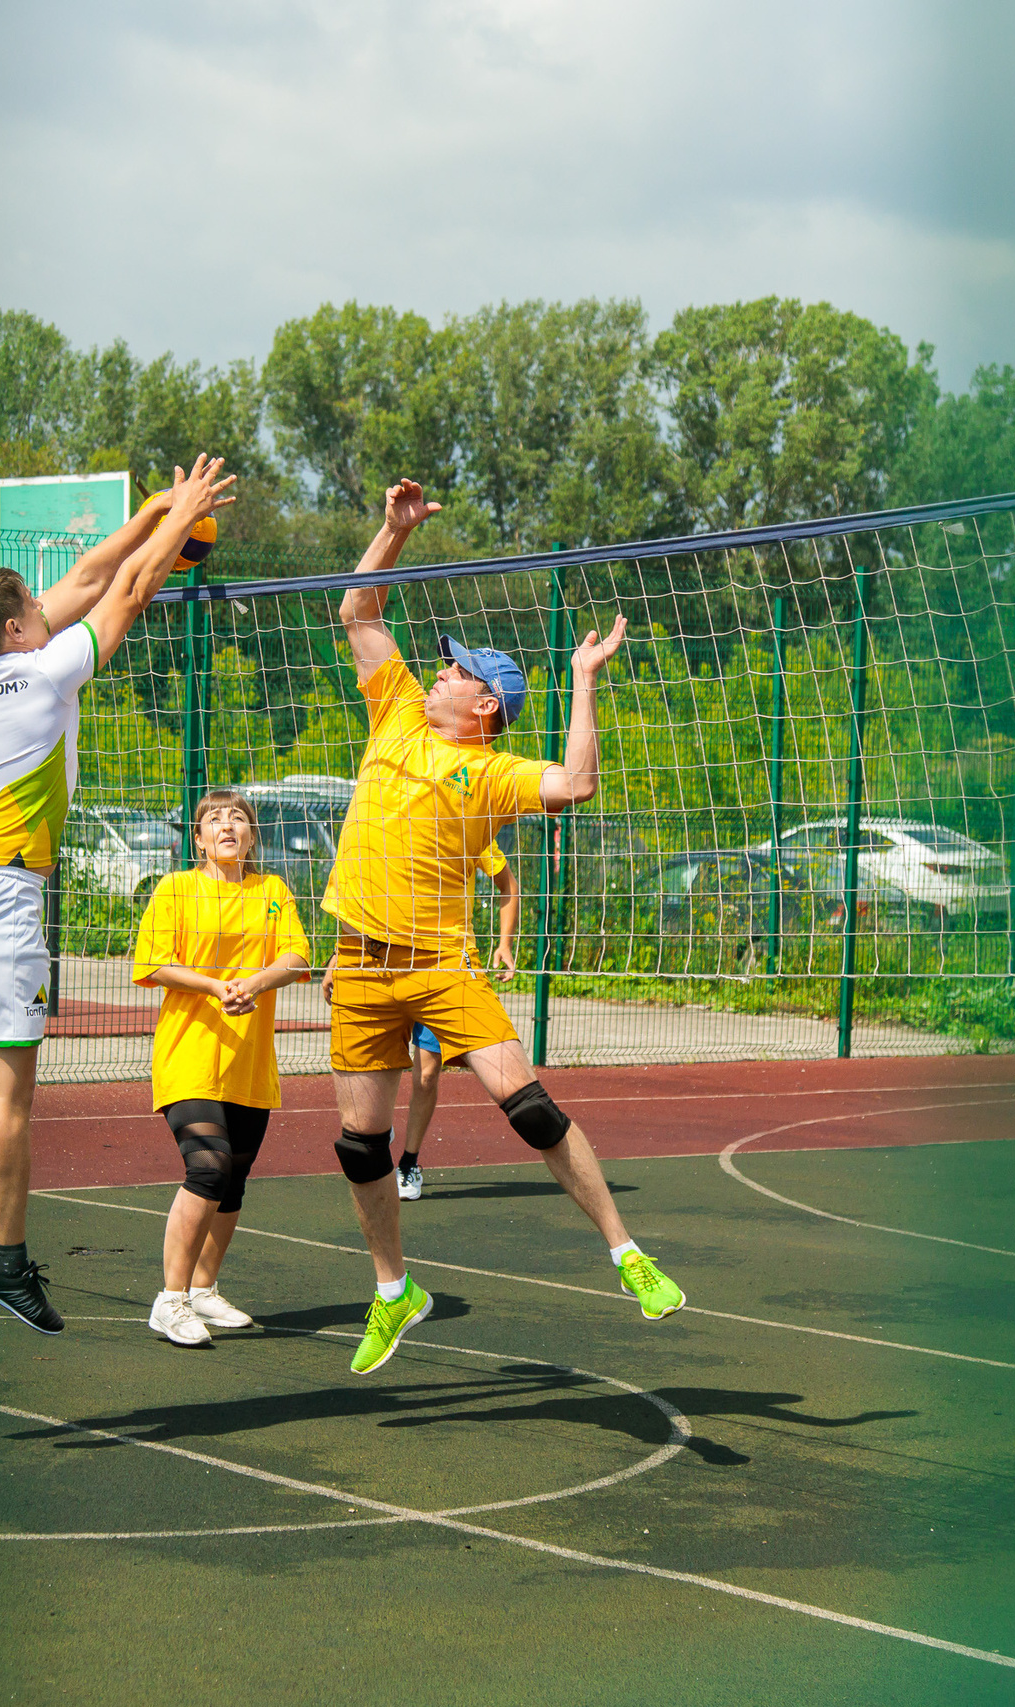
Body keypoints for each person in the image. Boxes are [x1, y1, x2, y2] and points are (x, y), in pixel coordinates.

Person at [322, 477, 683, 1377]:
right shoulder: (398, 710)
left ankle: (624, 1251)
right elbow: (357, 608)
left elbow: (579, 784)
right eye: (444, 662)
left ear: (484, 704)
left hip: (441, 963)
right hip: (358, 963)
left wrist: (583, 682)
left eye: (458, 668)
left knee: (527, 1106)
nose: (440, 669)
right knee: (358, 1144)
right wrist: (392, 531)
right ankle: (394, 1288)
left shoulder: (492, 773)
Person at [0, 456, 236, 1332]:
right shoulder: (47, 673)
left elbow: (94, 570)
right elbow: (126, 592)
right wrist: (183, 522)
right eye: (35, 608)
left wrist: (157, 508)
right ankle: (5, 1264)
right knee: (7, 1090)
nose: (51, 606)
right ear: (20, 625)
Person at [130, 790, 312, 1346]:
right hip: (189, 1055)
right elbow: (153, 963)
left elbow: (297, 957)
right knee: (206, 1169)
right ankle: (172, 1298)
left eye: (238, 818)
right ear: (199, 839)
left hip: (249, 1063)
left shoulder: (272, 892)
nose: (227, 826)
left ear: (253, 836)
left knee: (231, 1183)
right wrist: (215, 987)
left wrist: (254, 983)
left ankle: (205, 1289)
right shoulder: (177, 888)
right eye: (214, 819)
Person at [396, 844, 519, 1200]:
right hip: (388, 960)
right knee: (379, 1069)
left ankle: (408, 1162)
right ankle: (376, 1130)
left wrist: (505, 943)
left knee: (427, 1073)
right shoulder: (389, 818)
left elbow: (507, 885)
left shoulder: (470, 826)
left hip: (446, 966)